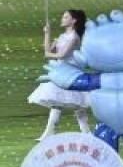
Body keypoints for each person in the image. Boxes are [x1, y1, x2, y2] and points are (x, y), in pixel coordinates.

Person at [28, 9, 91, 140]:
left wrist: (51, 54)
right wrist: (47, 34)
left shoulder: (74, 37)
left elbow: (62, 55)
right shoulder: (63, 37)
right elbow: (47, 51)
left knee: (77, 104)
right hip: (61, 72)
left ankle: (86, 132)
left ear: (73, 20)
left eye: (66, 17)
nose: (62, 19)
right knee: (57, 103)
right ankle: (49, 133)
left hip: (71, 73)